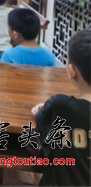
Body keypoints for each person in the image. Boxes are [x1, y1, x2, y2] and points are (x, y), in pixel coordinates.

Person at [31, 30, 90, 186]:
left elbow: (41, 132)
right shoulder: (61, 106)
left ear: (71, 71)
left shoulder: (60, 107)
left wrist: (49, 107)